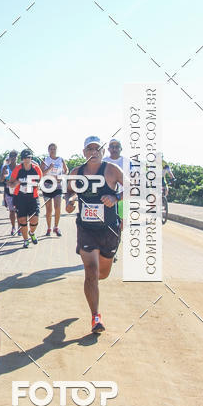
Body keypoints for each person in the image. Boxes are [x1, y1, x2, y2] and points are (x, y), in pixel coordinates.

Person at [65, 136, 122, 334]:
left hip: (109, 230)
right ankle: (95, 317)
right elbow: (70, 191)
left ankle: (96, 280)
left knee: (102, 274)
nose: (94, 152)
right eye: (90, 149)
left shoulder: (112, 170)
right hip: (86, 229)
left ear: (103, 152)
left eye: (97, 149)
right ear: (84, 153)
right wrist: (71, 200)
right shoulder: (76, 172)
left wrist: (115, 196)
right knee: (91, 271)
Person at [10, 149, 42, 249]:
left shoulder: (36, 169)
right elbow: (11, 183)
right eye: (25, 158)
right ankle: (25, 240)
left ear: (31, 158)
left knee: (35, 219)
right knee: (22, 219)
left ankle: (31, 233)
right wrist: (17, 183)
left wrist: (35, 184)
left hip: (33, 197)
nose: (27, 159)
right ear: (22, 159)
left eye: (29, 157)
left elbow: (40, 181)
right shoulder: (18, 169)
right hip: (20, 197)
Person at [41, 143, 67, 237]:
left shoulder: (61, 159)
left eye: (54, 149)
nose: (52, 150)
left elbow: (66, 170)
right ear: (48, 150)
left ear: (56, 150)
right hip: (47, 185)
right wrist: (49, 168)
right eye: (51, 149)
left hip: (58, 185)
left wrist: (62, 176)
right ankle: (48, 228)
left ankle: (56, 227)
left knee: (58, 207)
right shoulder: (45, 160)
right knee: (49, 210)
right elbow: (41, 173)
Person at [0, 150, 19, 235]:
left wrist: (15, 182)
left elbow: (23, 178)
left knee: (19, 211)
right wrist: (4, 176)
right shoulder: (5, 167)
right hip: (8, 191)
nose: (13, 158)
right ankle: (13, 227)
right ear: (9, 157)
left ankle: (20, 227)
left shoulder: (20, 167)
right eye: (12, 156)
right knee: (12, 211)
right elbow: (1, 179)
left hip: (19, 191)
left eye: (15, 156)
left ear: (17, 157)